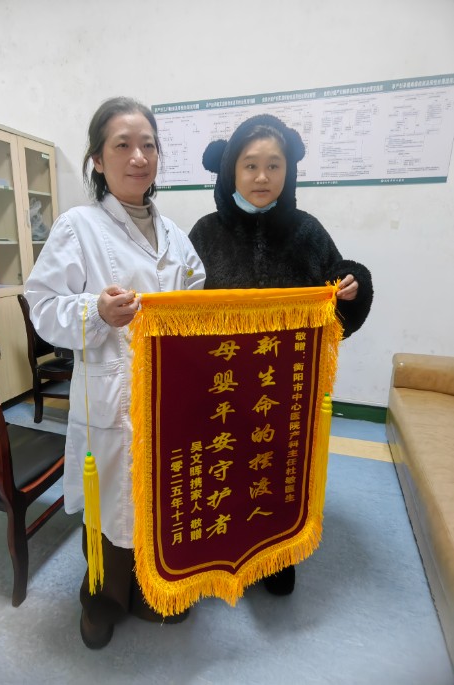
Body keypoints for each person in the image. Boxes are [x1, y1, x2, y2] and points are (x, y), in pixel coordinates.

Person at [25, 97, 205, 649]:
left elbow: (198, 299)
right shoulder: (78, 227)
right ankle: (101, 602)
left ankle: (153, 591)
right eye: (122, 145)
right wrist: (95, 311)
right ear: (98, 160)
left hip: (167, 397)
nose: (138, 157)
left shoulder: (175, 236)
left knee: (158, 499)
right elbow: (42, 305)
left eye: (148, 145)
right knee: (111, 503)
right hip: (112, 393)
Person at [188, 113, 373, 596]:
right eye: (250, 165)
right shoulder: (205, 233)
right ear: (230, 169)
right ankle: (221, 549)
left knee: (278, 471)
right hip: (223, 386)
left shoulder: (307, 231)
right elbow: (179, 304)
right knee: (225, 467)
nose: (262, 176)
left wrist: (353, 283)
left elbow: (337, 285)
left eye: (274, 165)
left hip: (285, 389)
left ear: (289, 170)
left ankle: (275, 554)